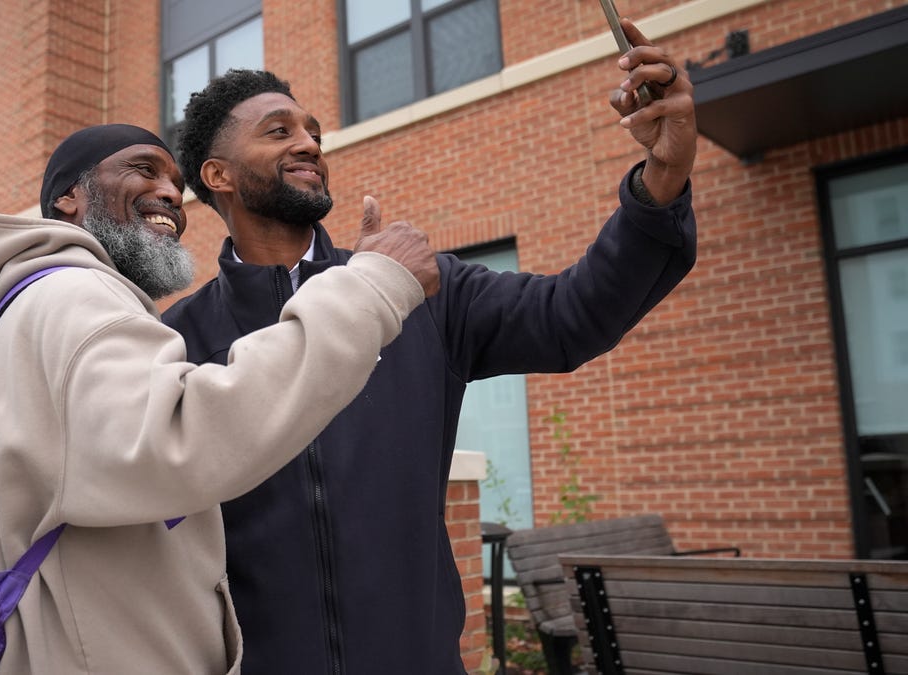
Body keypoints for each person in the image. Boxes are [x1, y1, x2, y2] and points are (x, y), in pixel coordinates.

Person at [162, 20, 698, 675]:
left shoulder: (425, 291)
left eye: (313, 132)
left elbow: (574, 313)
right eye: (279, 131)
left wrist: (661, 179)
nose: (308, 143)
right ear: (216, 174)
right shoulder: (180, 342)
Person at [0, 123, 440, 674]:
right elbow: (179, 437)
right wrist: (374, 289)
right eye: (143, 170)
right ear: (68, 197)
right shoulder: (74, 294)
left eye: (176, 180)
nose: (173, 193)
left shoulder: (36, 303)